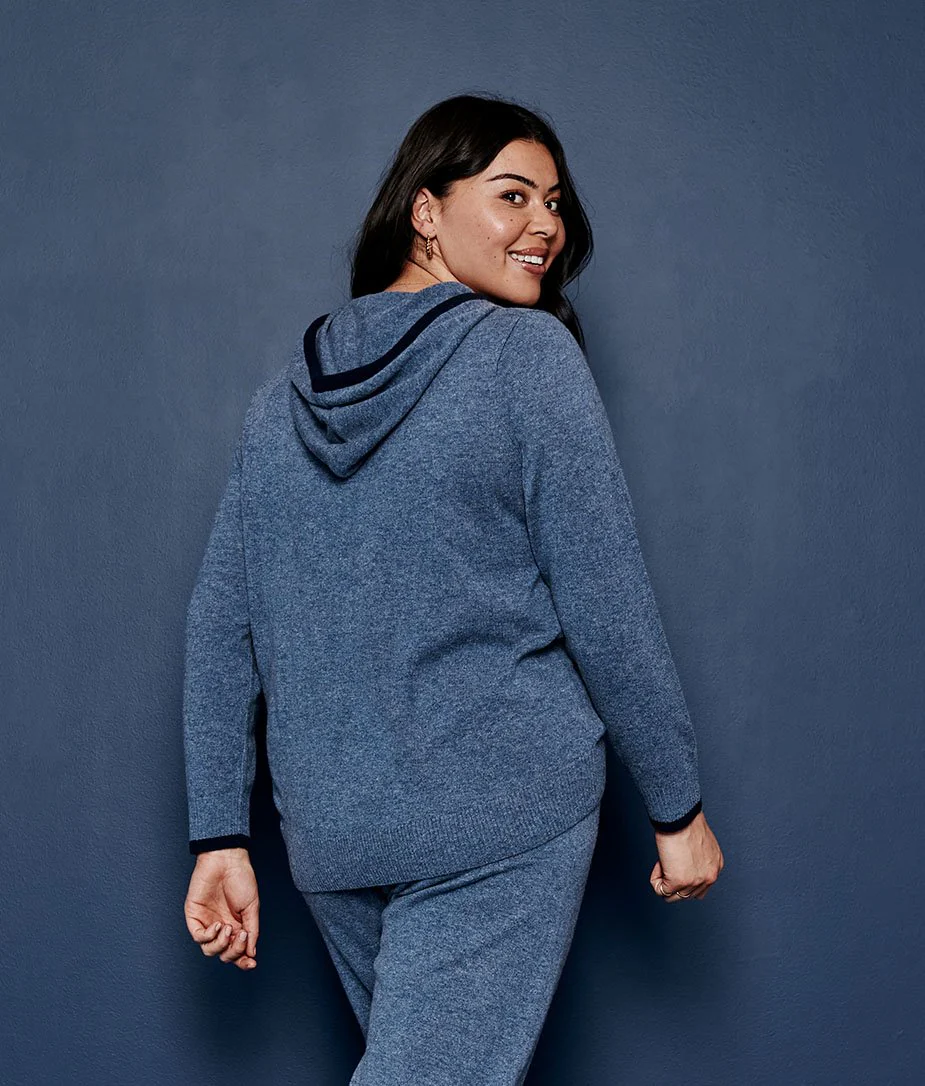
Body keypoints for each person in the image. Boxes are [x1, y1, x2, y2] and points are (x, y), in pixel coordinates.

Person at [182, 92, 724, 1083]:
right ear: (424, 210)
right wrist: (676, 808)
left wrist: (221, 834)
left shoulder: (276, 405)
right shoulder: (527, 358)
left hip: (335, 832)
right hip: (497, 813)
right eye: (512, 194)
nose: (545, 225)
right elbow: (606, 604)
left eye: (554, 203)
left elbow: (225, 628)